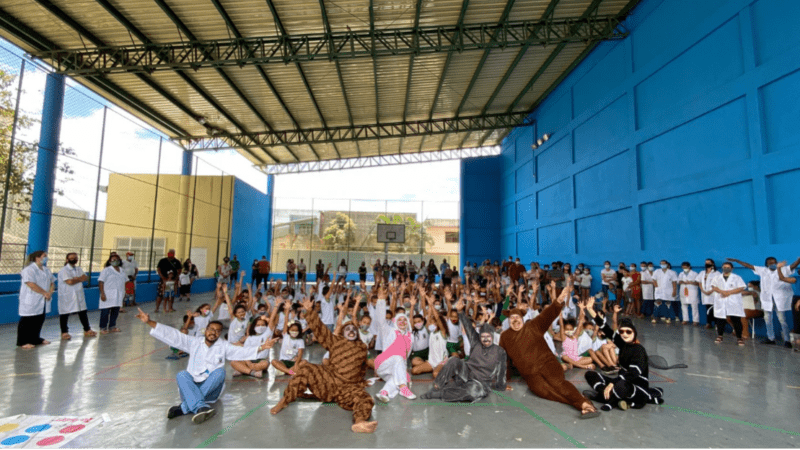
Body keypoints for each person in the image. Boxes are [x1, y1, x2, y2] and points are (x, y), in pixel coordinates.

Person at [135, 308, 277, 424]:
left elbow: (242, 351)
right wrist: (149, 322)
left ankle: (185, 407)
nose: (213, 332)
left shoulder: (224, 345)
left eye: (217, 330)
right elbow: (173, 335)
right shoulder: (194, 342)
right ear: (206, 330)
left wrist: (261, 347)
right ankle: (199, 407)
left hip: (212, 390)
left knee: (220, 373)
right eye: (211, 329)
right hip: (192, 387)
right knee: (182, 375)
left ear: (220, 333)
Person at [271, 295, 378, 433]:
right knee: (306, 369)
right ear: (343, 333)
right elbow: (321, 330)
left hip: (348, 389)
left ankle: (359, 423)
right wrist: (310, 311)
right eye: (347, 329)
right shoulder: (335, 341)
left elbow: (368, 364)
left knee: (365, 398)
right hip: (328, 382)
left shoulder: (362, 348)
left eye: (353, 330)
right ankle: (284, 401)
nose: (351, 331)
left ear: (357, 333)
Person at [500, 281, 599, 418]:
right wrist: (503, 380)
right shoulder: (505, 336)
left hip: (547, 364)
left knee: (558, 384)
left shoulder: (533, 325)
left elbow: (547, 315)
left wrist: (558, 300)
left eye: (518, 317)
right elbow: (503, 358)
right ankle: (578, 402)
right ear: (508, 320)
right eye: (512, 318)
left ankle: (583, 404)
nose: (515, 320)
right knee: (543, 392)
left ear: (522, 318)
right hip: (531, 374)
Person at [421, 297, 508, 402]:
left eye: (488, 337)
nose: (485, 339)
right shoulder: (476, 341)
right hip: (467, 372)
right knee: (454, 360)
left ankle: (440, 394)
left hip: (481, 383)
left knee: (472, 392)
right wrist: (460, 311)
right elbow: (468, 327)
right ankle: (436, 387)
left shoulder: (500, 351)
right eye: (483, 336)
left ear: (492, 336)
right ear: (480, 336)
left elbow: (502, 370)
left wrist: (501, 386)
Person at [582, 301, 664, 411]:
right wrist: (591, 310)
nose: (624, 334)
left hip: (635, 385)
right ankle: (612, 395)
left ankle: (605, 398)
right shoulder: (623, 344)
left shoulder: (639, 351)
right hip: (621, 381)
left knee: (622, 386)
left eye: (628, 332)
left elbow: (632, 374)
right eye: (622, 331)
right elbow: (605, 328)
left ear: (634, 333)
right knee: (590, 374)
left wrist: (612, 383)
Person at [727, 257, 798, 347]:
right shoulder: (762, 270)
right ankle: (770, 338)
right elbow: (749, 266)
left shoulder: (783, 269)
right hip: (767, 299)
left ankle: (787, 341)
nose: (773, 264)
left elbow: (793, 265)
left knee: (782, 319)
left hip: (779, 299)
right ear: (766, 265)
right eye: (770, 263)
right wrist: (737, 261)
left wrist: (799, 260)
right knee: (768, 319)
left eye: (774, 262)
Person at [373, 286, 416, 402]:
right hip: (383, 363)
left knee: (396, 378)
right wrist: (381, 301)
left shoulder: (410, 336)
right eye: (399, 320)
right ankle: (403, 388)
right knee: (398, 358)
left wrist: (404, 371)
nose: (402, 322)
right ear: (395, 322)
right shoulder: (390, 331)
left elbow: (406, 356)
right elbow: (381, 320)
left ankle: (384, 392)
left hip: (396, 366)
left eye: (404, 320)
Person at [17, 251, 55, 349]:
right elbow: (31, 284)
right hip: (31, 299)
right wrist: (44, 293)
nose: (46, 258)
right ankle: (22, 341)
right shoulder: (29, 270)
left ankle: (35, 339)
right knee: (27, 321)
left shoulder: (46, 270)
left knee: (39, 320)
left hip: (43, 300)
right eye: (44, 256)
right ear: (37, 258)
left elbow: (52, 283)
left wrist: (50, 292)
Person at [57, 253, 95, 340]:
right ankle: (64, 332)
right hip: (67, 295)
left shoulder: (78, 269)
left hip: (78, 294)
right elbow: (69, 282)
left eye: (75, 258)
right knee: (64, 314)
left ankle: (87, 329)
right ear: (67, 259)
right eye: (71, 258)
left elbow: (85, 278)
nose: (74, 259)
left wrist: (74, 279)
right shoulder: (64, 270)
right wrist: (78, 278)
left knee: (82, 312)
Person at [98, 253, 127, 334]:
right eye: (113, 260)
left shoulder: (122, 270)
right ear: (110, 261)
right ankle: (103, 328)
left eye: (117, 259)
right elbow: (101, 282)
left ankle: (112, 327)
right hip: (108, 295)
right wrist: (102, 293)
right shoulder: (106, 270)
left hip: (118, 294)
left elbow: (125, 281)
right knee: (105, 312)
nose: (115, 261)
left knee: (115, 311)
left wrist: (124, 294)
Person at [776, 260, 800, 350]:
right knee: (797, 322)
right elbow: (782, 278)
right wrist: (778, 268)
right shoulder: (796, 278)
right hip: (796, 299)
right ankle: (798, 344)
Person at [697, 259, 719, 329]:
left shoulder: (717, 273)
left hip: (713, 293)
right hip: (705, 294)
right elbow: (699, 282)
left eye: (708, 263)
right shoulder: (702, 273)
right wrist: (703, 290)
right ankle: (708, 323)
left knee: (714, 309)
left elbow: (718, 284)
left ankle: (716, 323)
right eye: (706, 263)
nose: (707, 264)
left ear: (712, 263)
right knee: (708, 309)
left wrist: (711, 291)